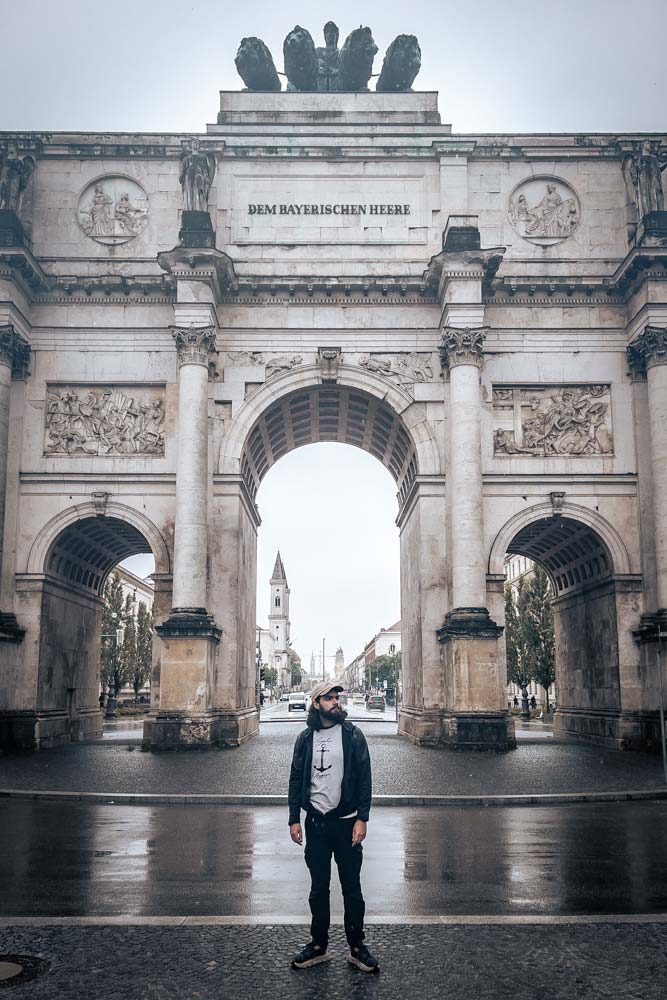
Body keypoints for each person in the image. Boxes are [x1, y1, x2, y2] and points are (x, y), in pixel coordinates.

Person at [288, 680, 379, 974]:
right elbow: (295, 778)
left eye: (337, 697)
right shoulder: (305, 738)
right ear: (316, 704)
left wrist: (362, 817)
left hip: (346, 823)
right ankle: (319, 944)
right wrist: (293, 818)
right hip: (316, 823)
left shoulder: (353, 735)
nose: (335, 702)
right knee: (318, 888)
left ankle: (356, 946)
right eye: (328, 698)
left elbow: (365, 777)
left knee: (352, 888)